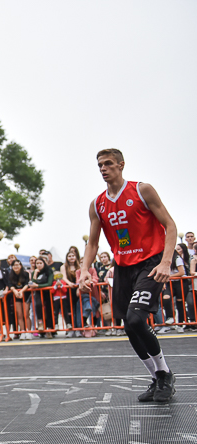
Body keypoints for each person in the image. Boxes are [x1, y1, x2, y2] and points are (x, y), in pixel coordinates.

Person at [80, 148, 178, 402]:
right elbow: (93, 243)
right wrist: (84, 271)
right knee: (129, 327)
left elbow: (170, 225)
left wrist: (166, 262)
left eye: (108, 163)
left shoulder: (142, 190)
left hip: (150, 263)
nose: (103, 168)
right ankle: (157, 377)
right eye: (100, 165)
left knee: (136, 320)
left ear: (121, 165)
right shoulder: (97, 204)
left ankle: (165, 374)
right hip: (123, 268)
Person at [7, 259, 31, 340]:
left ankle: (29, 331)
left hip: (25, 295)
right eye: (14, 265)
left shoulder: (25, 274)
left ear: (21, 266)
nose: (16, 267)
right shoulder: (10, 275)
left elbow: (27, 284)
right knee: (19, 314)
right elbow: (10, 284)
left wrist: (21, 291)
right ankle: (23, 331)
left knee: (26, 314)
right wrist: (15, 291)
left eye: (17, 265)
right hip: (16, 296)